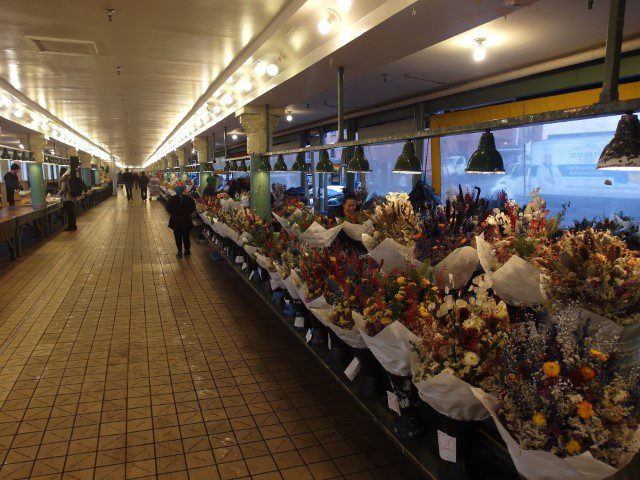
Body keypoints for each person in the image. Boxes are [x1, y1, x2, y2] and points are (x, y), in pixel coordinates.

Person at [166, 182, 196, 258]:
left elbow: (168, 208)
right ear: (183, 190)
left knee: (178, 236)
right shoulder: (189, 199)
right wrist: (187, 213)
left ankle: (179, 252)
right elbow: (193, 208)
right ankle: (187, 250)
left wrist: (174, 213)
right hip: (186, 220)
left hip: (176, 220)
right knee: (186, 236)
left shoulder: (172, 199)